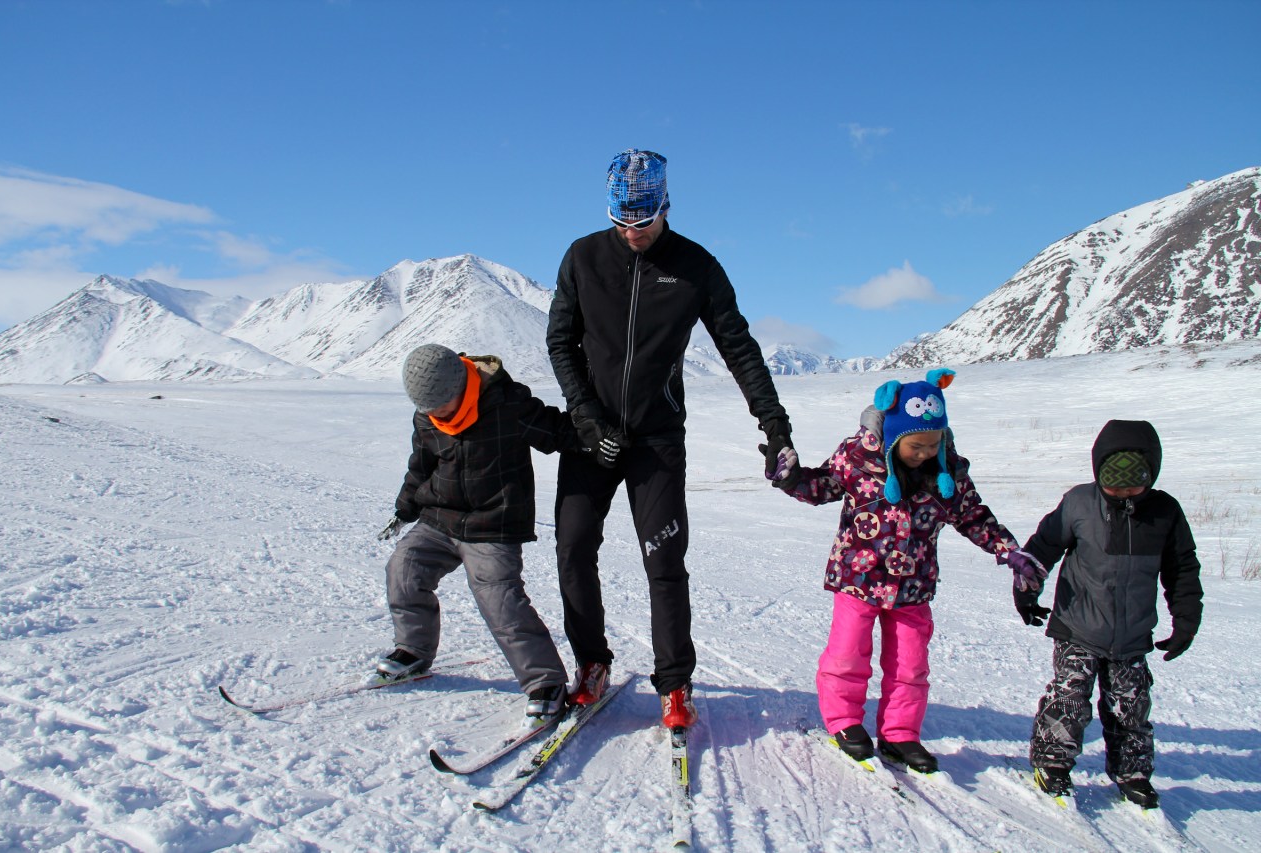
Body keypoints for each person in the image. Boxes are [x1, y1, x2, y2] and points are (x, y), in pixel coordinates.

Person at [546, 148, 795, 729]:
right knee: (573, 547)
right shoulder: (583, 258)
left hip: (656, 439)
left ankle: (675, 685)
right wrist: (587, 420)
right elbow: (561, 342)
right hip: (591, 437)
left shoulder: (696, 266)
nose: (633, 233)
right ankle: (591, 663)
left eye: (645, 220)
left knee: (664, 559)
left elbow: (739, 348)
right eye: (622, 222)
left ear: (666, 206)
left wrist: (775, 425)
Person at [770, 368, 1045, 772]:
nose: (925, 453)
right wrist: (789, 478)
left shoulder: (947, 471)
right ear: (895, 436)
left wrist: (1010, 551)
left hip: (913, 586)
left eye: (934, 443)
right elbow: (821, 488)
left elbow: (972, 516)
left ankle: (900, 733)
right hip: (857, 579)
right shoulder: (857, 458)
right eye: (916, 446)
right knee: (848, 655)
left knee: (910, 665)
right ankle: (845, 721)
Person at [375, 344, 580, 721]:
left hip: (493, 524)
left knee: (500, 600)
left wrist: (603, 433)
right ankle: (413, 650)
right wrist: (405, 508)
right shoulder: (427, 417)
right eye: (428, 409)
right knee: (403, 569)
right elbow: (420, 465)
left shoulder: (507, 404)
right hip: (440, 518)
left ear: (458, 388)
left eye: (440, 406)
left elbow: (561, 433)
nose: (435, 415)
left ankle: (544, 681)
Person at [1015, 419, 1202, 809]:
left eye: (1134, 486)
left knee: (1131, 708)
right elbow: (1043, 547)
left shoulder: (1165, 513)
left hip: (1132, 634)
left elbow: (1182, 568)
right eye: (1113, 486)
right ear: (1098, 473)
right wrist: (1027, 591)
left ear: (1151, 476)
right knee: (1069, 700)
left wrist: (1186, 620)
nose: (1123, 494)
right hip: (1077, 626)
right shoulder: (1080, 503)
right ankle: (1052, 764)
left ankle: (1133, 774)